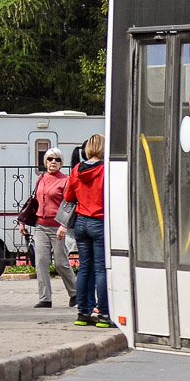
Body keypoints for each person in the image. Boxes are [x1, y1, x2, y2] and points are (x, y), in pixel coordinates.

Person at [64, 133, 109, 328]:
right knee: (101, 269)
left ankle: (83, 312)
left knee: (84, 268)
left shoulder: (76, 170)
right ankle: (104, 314)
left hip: (81, 222)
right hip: (99, 221)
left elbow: (69, 196)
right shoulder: (105, 170)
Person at [23, 147, 77, 308]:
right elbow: (33, 202)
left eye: (57, 160)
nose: (53, 162)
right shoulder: (40, 179)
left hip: (58, 227)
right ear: (45, 162)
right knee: (40, 261)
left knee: (61, 263)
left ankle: (74, 293)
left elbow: (69, 204)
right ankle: (45, 298)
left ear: (61, 164)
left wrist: (64, 225)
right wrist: (22, 222)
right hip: (41, 225)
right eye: (50, 159)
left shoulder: (66, 180)